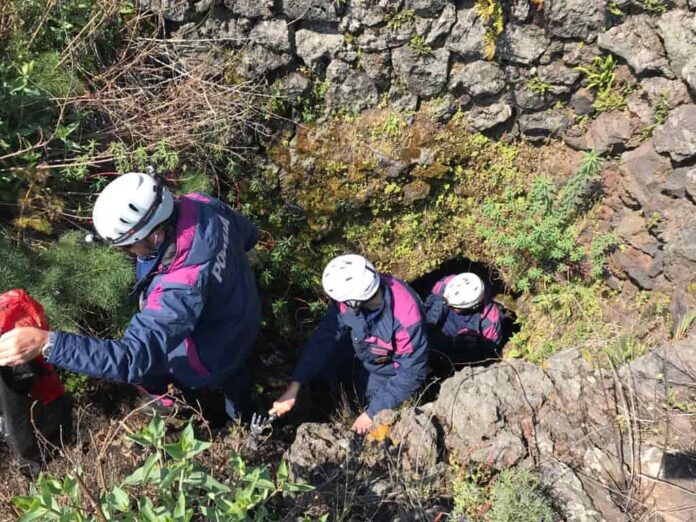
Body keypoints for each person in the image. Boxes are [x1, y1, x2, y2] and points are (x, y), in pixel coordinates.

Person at [0, 172, 261, 422]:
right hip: (245, 315)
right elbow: (249, 235)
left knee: (195, 382)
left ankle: (208, 419)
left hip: (211, 356)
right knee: (239, 380)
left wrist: (49, 343)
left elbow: (132, 358)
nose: (130, 253)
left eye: (128, 246)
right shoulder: (201, 204)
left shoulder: (180, 287)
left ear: (155, 235)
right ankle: (245, 414)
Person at [272, 254, 428, 435]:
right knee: (325, 373)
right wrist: (295, 386)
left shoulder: (406, 318)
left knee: (364, 407)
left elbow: (411, 373)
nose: (338, 304)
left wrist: (370, 414)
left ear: (355, 301)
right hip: (358, 351)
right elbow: (324, 339)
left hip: (384, 371)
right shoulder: (352, 298)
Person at [424, 272, 504, 371]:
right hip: (433, 332)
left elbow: (488, 353)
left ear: (472, 306)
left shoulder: (489, 323)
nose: (447, 305)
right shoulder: (448, 284)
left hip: (455, 350)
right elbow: (427, 303)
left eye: (454, 306)